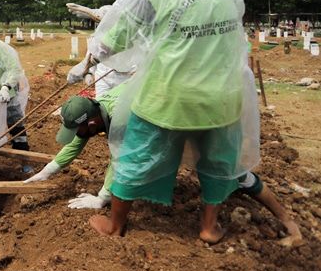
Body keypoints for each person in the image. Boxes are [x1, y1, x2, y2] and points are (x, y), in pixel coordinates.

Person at [85, 0, 260, 243]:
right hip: (222, 95)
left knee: (135, 154)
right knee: (218, 160)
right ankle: (208, 227)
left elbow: (109, 45)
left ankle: (115, 225)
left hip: (169, 97)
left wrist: (90, 56)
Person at [24, 87, 301, 243]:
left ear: (92, 122)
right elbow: (76, 142)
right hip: (173, 116)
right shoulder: (100, 107)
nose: (78, 136)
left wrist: (101, 199)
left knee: (231, 173)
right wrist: (45, 173)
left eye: (80, 129)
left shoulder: (121, 119)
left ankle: (286, 220)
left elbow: (120, 162)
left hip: (198, 117)